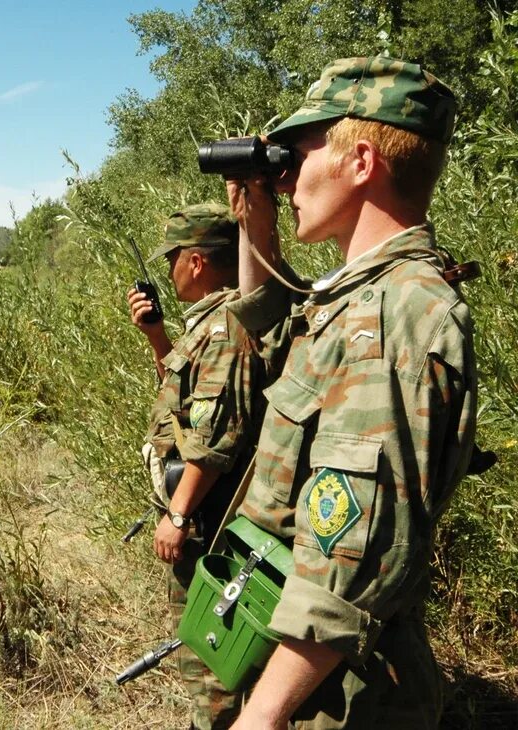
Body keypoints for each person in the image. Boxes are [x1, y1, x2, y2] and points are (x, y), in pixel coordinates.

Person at [224, 56, 477, 729]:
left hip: (340, 693)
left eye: (300, 152)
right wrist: (257, 219)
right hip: (311, 669)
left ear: (360, 161)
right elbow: (262, 318)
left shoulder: (394, 315)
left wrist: (265, 713)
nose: (288, 177)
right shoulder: (356, 298)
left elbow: (354, 551)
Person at [128, 203, 262, 730]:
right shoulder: (207, 322)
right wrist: (157, 336)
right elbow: (188, 405)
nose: (169, 271)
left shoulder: (226, 326)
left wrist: (179, 514)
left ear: (198, 261)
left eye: (173, 259)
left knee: (211, 650)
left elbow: (216, 436)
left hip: (209, 522)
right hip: (202, 514)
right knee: (202, 646)